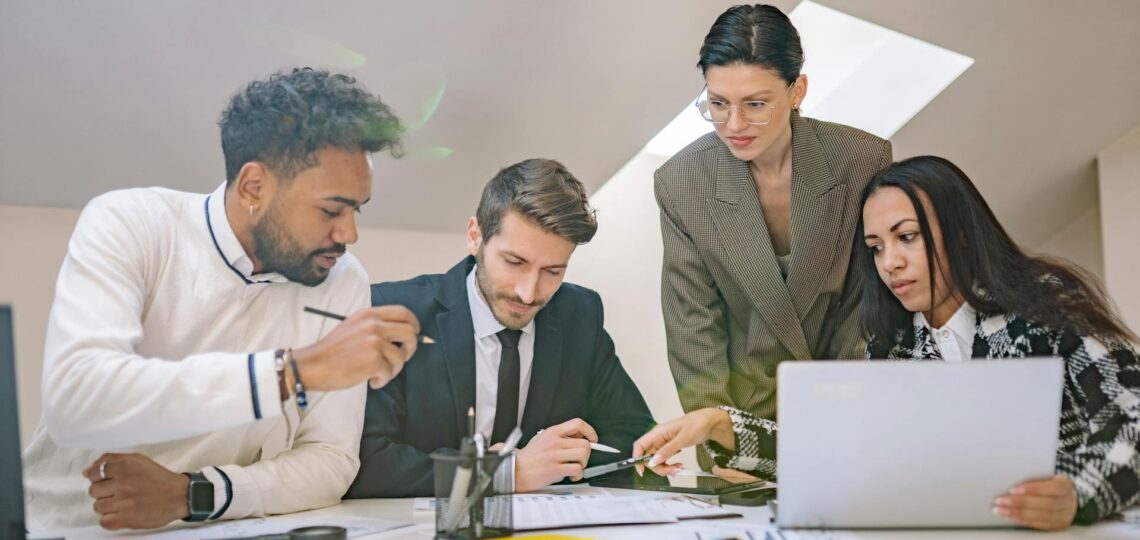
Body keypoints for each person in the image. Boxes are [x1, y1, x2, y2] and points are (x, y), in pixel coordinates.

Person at [633, 156, 1140, 531]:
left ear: (961, 234)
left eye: (907, 237)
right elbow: (841, 456)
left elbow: (1133, 421)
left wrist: (1077, 493)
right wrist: (720, 424)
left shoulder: (1047, 310)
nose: (889, 262)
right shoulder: (892, 345)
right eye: (875, 247)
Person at [22, 68, 424, 530]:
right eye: (331, 210)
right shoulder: (131, 224)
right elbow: (77, 400)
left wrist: (193, 493)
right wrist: (294, 372)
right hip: (61, 527)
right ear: (254, 186)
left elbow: (330, 459)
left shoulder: (344, 280)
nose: (349, 234)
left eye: (356, 210)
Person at [654, 4, 892, 469]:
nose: (734, 125)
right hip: (735, 422)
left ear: (797, 91)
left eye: (755, 104)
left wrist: (836, 413)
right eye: (717, 104)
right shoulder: (681, 181)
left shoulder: (862, 159)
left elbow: (865, 305)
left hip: (843, 411)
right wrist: (723, 443)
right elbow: (693, 326)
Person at [344, 158, 654, 497]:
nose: (528, 293)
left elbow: (635, 435)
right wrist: (502, 473)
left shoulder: (579, 314)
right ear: (474, 236)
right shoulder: (392, 311)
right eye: (514, 262)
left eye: (553, 271)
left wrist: (560, 458)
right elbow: (364, 461)